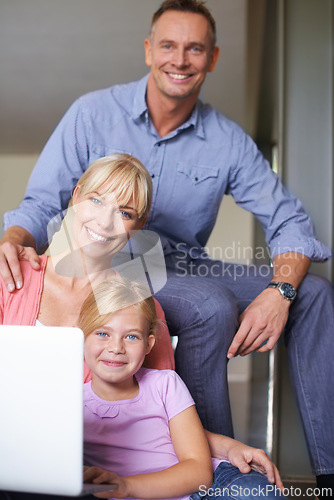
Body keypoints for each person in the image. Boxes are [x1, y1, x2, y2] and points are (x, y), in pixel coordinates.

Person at [0, 0, 333, 488]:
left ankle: (329, 471)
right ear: (148, 50)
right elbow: (41, 200)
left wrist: (279, 292)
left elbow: (290, 220)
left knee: (314, 293)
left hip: (185, 262)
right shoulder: (93, 114)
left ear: (212, 58)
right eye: (169, 46)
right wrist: (11, 239)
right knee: (210, 306)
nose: (180, 59)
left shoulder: (228, 141)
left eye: (195, 48)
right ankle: (213, 467)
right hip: (121, 259)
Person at [0, 153, 175, 373]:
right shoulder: (10, 274)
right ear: (76, 197)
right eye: (96, 201)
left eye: (124, 213)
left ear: (139, 224)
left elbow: (163, 399)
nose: (104, 222)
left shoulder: (143, 309)